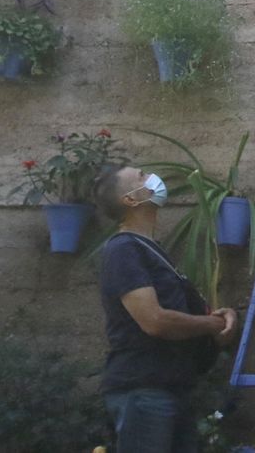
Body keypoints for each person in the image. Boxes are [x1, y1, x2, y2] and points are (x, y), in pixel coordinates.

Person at [95, 165, 238, 453]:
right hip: (144, 391)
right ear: (131, 200)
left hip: (171, 388)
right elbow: (154, 321)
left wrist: (219, 321)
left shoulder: (151, 249)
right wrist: (210, 325)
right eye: (140, 176)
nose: (151, 177)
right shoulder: (123, 250)